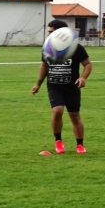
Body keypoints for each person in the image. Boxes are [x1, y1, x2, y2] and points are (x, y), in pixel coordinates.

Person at [31, 20, 92, 154]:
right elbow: (44, 65)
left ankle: (80, 145)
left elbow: (87, 64)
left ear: (61, 34)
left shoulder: (76, 48)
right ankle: (58, 141)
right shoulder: (48, 48)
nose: (48, 35)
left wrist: (82, 78)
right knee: (57, 111)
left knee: (75, 116)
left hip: (72, 86)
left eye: (51, 32)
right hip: (54, 86)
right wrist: (38, 84)